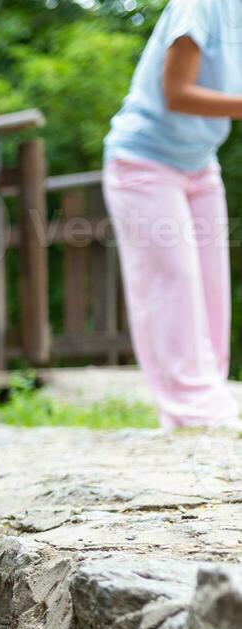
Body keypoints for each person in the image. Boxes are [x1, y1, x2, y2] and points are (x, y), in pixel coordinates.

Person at [102, 0, 242, 431]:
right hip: (142, 161)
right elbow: (177, 93)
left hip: (200, 162)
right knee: (173, 283)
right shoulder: (199, 5)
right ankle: (190, 412)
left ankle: (205, 397)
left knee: (211, 287)